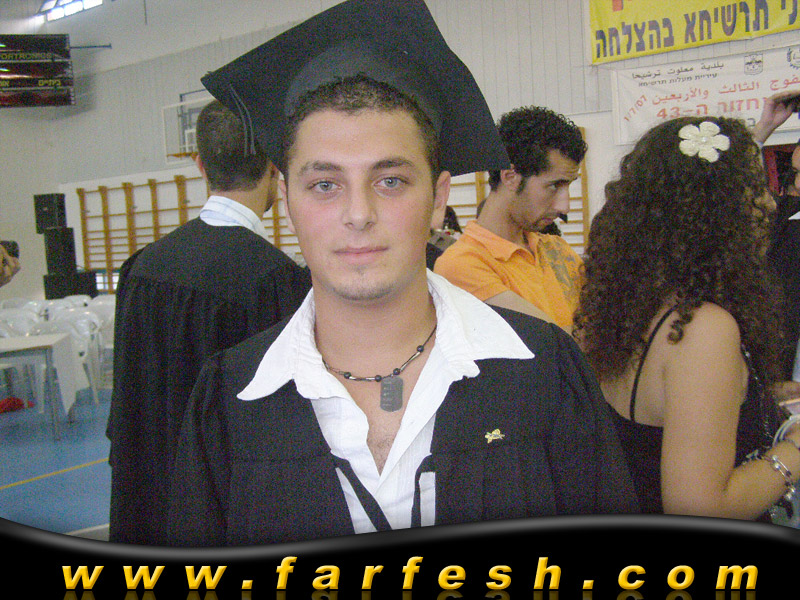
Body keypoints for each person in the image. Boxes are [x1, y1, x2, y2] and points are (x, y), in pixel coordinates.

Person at [167, 0, 638, 547]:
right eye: (324, 184)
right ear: (288, 199)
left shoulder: (544, 373)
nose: (358, 214)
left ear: (438, 198)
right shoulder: (230, 401)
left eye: (390, 181)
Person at [106, 99, 312, 545]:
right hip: (219, 500)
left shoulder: (142, 267)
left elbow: (124, 396)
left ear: (200, 165)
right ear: (274, 168)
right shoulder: (273, 279)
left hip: (146, 487)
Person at [574, 115, 800, 520]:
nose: (770, 203)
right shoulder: (701, 329)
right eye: (754, 189)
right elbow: (700, 507)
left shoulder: (636, 311)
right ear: (714, 211)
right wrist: (795, 449)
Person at [434, 106, 586, 330]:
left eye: (568, 186)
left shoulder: (557, 249)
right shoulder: (461, 264)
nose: (565, 206)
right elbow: (556, 342)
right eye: (555, 185)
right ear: (510, 177)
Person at [750, 90, 800, 389]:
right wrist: (762, 131)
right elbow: (733, 190)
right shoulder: (786, 221)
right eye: (795, 173)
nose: (798, 183)